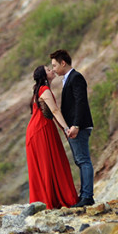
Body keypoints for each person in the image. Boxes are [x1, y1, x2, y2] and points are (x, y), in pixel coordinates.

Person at [25, 65, 78, 209]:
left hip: (39, 129)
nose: (52, 70)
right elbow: (55, 110)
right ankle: (54, 199)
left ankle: (48, 199)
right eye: (49, 70)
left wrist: (62, 128)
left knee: (48, 163)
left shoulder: (39, 90)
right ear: (44, 75)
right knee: (50, 163)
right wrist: (66, 128)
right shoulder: (44, 90)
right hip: (41, 130)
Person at [50, 49, 94, 207]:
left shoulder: (76, 78)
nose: (53, 69)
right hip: (76, 126)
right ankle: (85, 195)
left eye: (55, 65)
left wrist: (75, 125)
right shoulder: (68, 79)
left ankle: (87, 196)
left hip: (79, 126)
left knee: (83, 160)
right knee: (81, 160)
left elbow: (81, 102)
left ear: (63, 63)